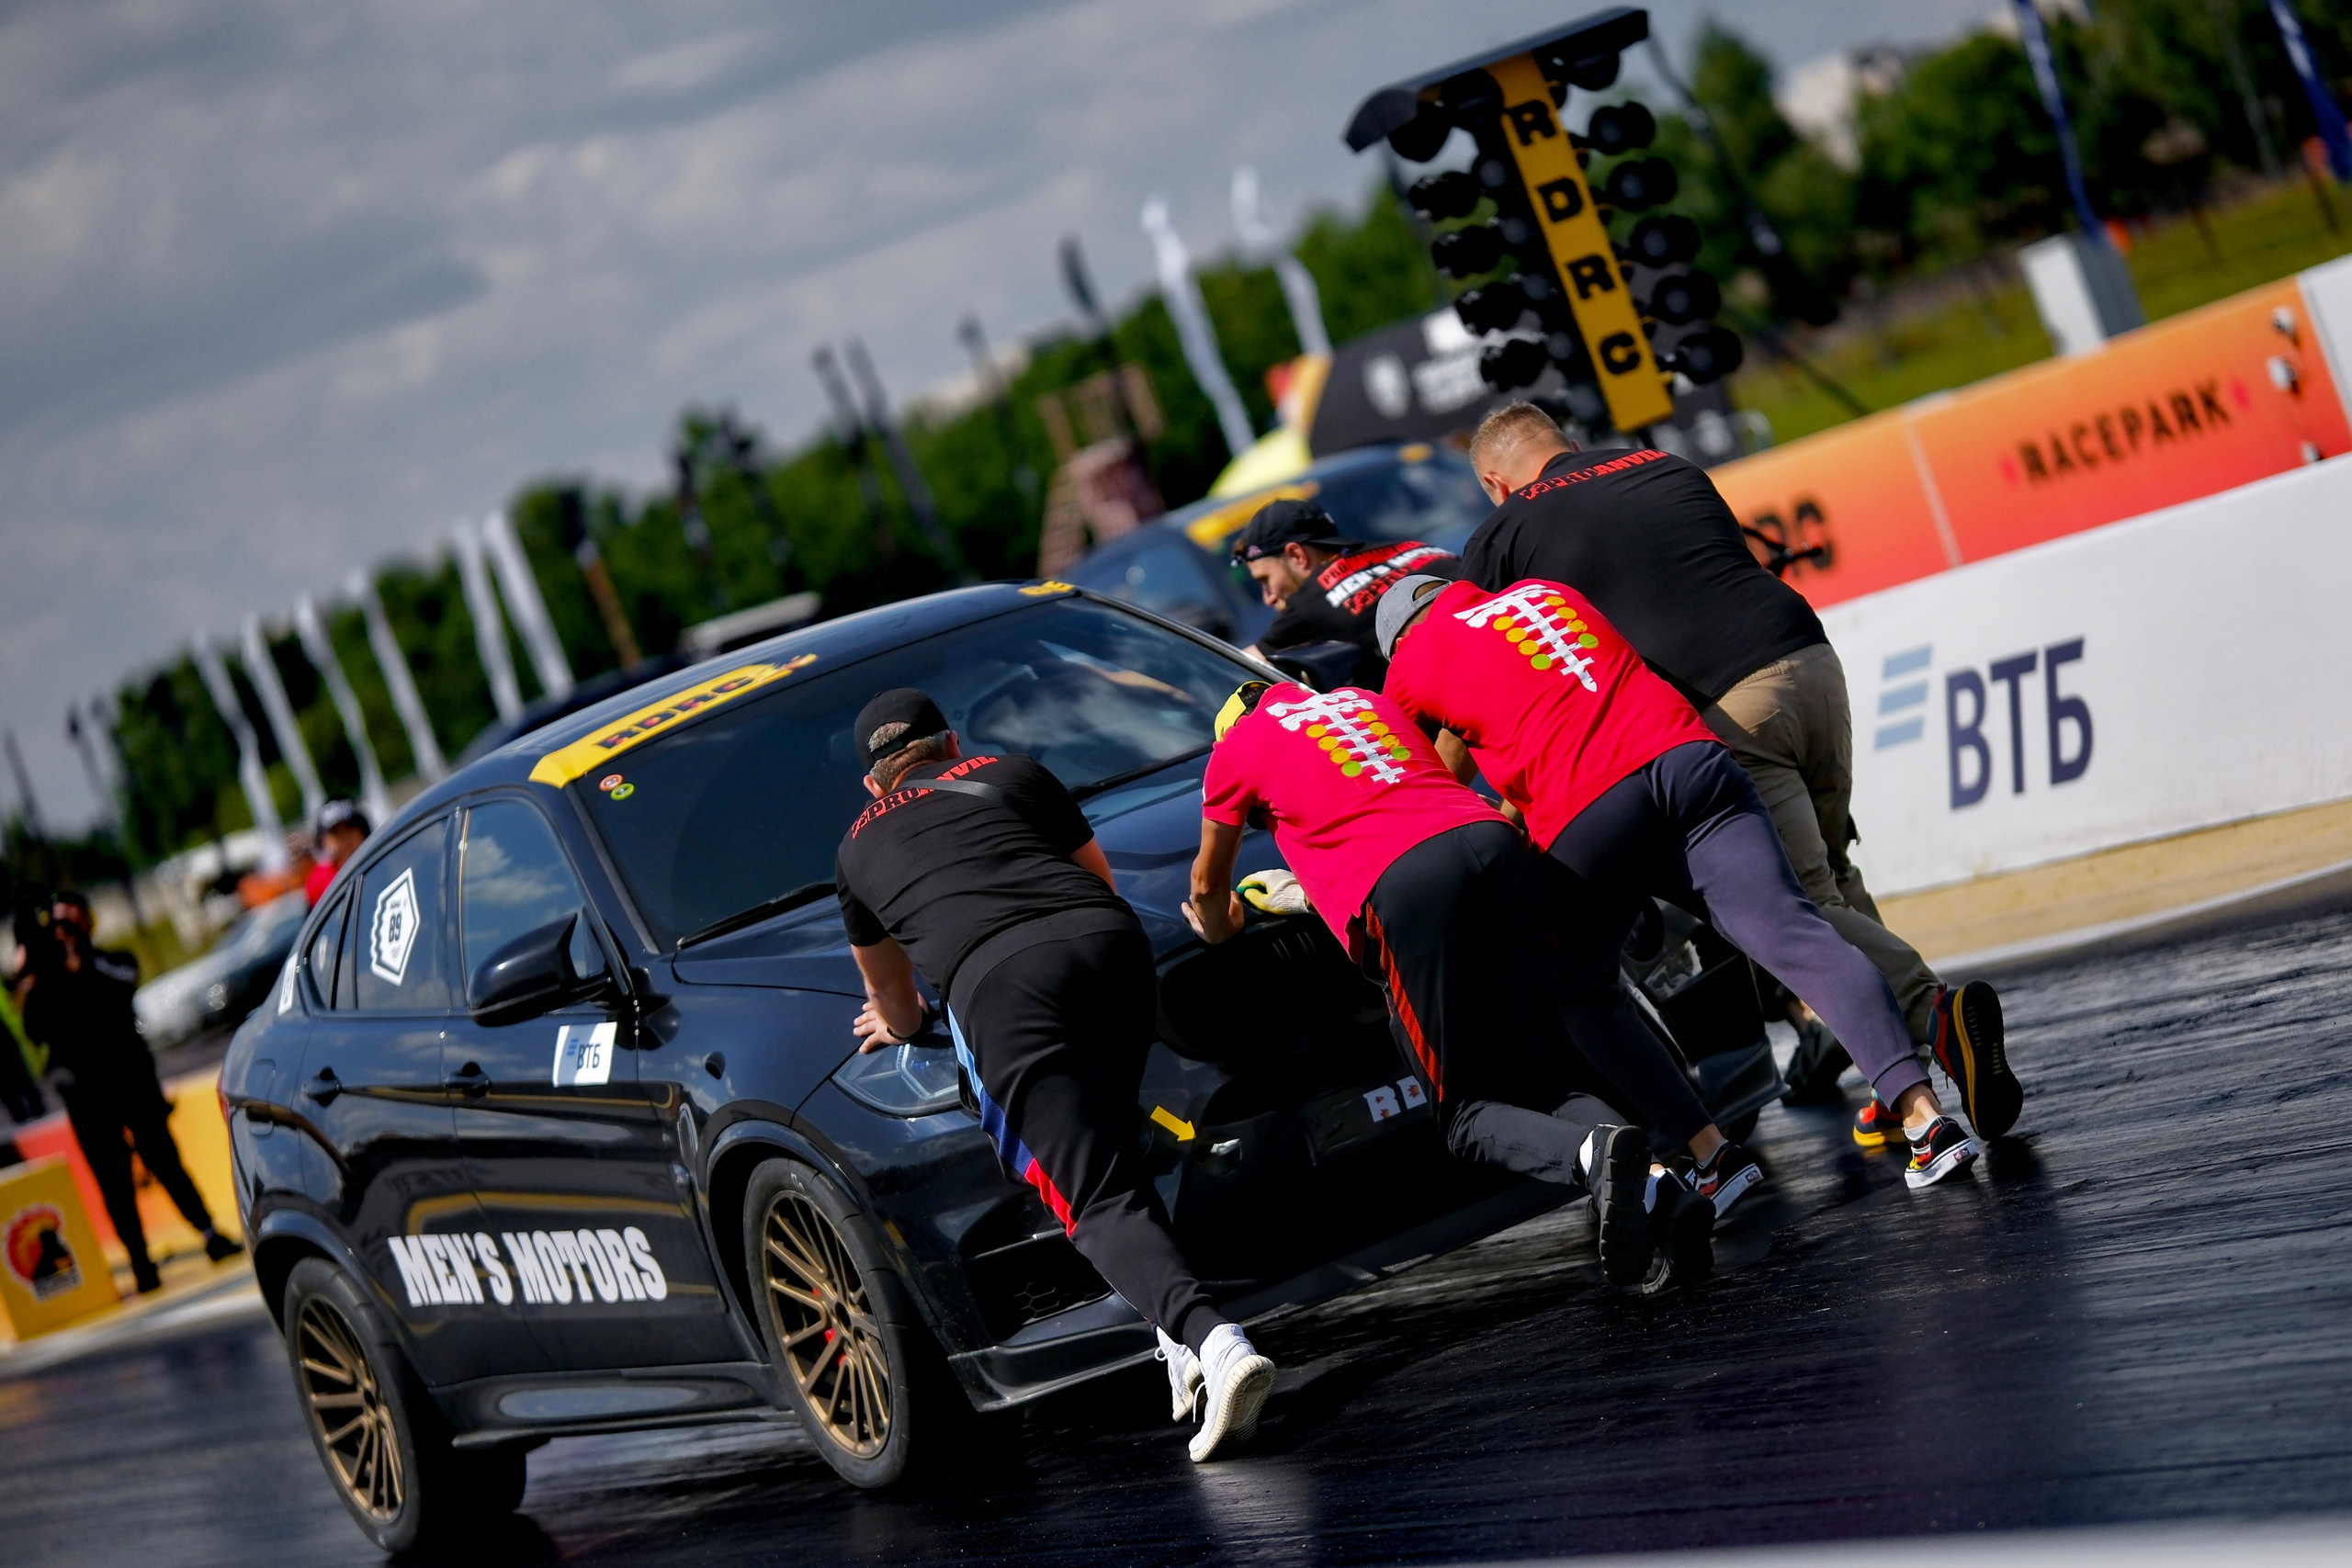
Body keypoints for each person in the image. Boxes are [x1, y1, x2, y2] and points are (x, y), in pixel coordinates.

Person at [1456, 403, 2020, 1146]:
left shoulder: (1505, 531)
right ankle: (1896, 1073)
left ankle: (1934, 1013)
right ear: (1570, 445)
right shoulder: (1662, 464)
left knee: (1801, 907)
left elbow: (1472, 659)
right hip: (1810, 661)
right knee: (1834, 874)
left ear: (1497, 484)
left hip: (1723, 703)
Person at [1378, 576, 2022, 1190]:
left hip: (1591, 808)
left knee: (1578, 989)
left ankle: (1711, 1155)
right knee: (1796, 932)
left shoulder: (1414, 659)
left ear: (1400, 640)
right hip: (1693, 761)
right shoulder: (1544, 594)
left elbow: (1403, 773)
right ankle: (1925, 1119)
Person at [832, 688, 1275, 1461]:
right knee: (1112, 1152)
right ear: (950, 741)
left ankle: (1215, 1342)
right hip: (1113, 949)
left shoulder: (854, 851)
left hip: (1005, 988)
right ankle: (1175, 1336)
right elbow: (1097, 878)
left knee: (1087, 1189)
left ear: (874, 783)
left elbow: (895, 1003)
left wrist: (900, 1027)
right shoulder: (1014, 772)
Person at [1185, 678, 1729, 1292]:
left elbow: (1208, 894)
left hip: (1409, 885)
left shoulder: (1236, 747)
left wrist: (1224, 922)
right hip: (1492, 845)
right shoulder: (1363, 702)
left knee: (1466, 1114)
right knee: (1546, 1082)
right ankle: (1666, 1195)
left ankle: (1595, 1158)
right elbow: (1380, 800)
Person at [13, 891, 242, 1292]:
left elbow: (124, 982)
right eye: (58, 923)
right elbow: (33, 1028)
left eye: (72, 921)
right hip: (85, 1096)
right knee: (113, 1183)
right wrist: (35, 971)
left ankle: (208, 1232)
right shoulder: (45, 978)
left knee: (165, 1160)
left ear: (87, 922)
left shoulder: (109, 962)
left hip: (129, 1082)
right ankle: (141, 1263)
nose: (64, 930)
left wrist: (79, 960)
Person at [1231, 498, 1463, 685]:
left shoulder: (1313, 599)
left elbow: (1243, 665)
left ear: (1297, 556)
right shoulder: (1417, 547)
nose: (1268, 596)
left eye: (1266, 579)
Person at [305, 799, 370, 907]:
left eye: (349, 827)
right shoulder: (319, 881)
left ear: (362, 829)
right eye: (336, 832)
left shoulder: (384, 859)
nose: (345, 837)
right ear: (323, 840)